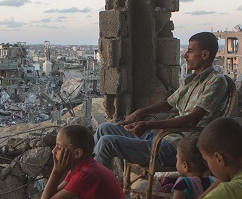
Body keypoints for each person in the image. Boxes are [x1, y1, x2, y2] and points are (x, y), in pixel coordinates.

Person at [93, 31, 228, 170]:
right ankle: (90, 179)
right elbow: (168, 103)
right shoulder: (192, 80)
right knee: (103, 129)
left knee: (107, 143)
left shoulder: (216, 82)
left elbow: (191, 120)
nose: (185, 55)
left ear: (205, 55)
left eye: (190, 51)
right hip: (164, 137)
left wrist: (147, 125)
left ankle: (94, 186)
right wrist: (139, 113)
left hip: (179, 147)